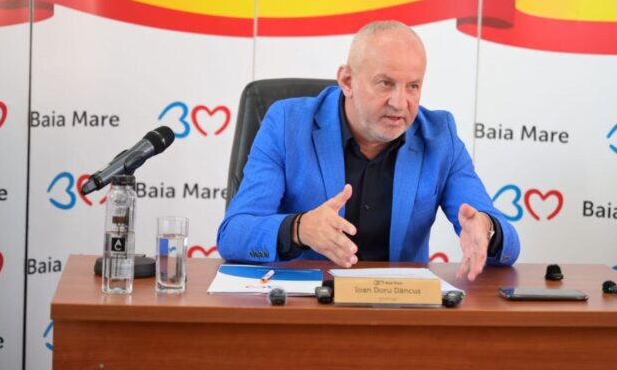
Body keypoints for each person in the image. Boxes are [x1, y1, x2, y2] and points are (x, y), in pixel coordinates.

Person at [217, 21, 519, 280]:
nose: (400, 103)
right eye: (385, 83)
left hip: (398, 310)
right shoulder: (287, 125)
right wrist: (299, 228)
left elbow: (507, 242)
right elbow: (234, 234)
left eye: (413, 86)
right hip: (307, 308)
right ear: (347, 81)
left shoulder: (440, 137)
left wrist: (487, 231)